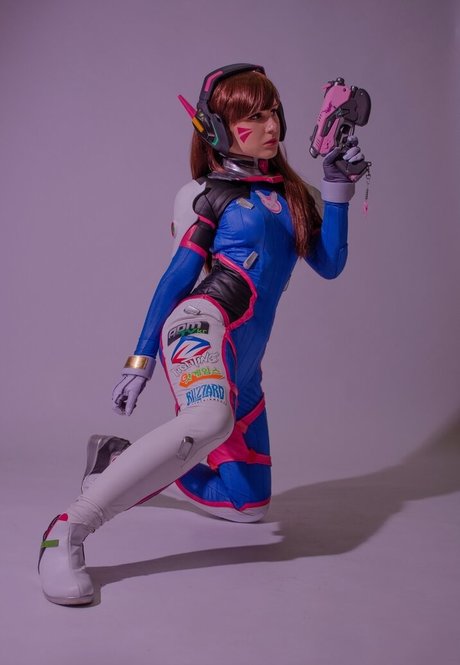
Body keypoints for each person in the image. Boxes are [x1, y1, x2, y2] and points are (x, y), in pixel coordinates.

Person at [38, 63, 367, 605]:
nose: (271, 125)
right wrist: (140, 360)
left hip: (246, 363)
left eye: (273, 111)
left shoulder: (295, 195)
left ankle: (119, 461)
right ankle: (66, 530)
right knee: (211, 419)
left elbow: (330, 264)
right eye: (252, 116)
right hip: (201, 325)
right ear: (216, 128)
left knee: (248, 504)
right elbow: (175, 279)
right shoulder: (204, 193)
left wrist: (337, 186)